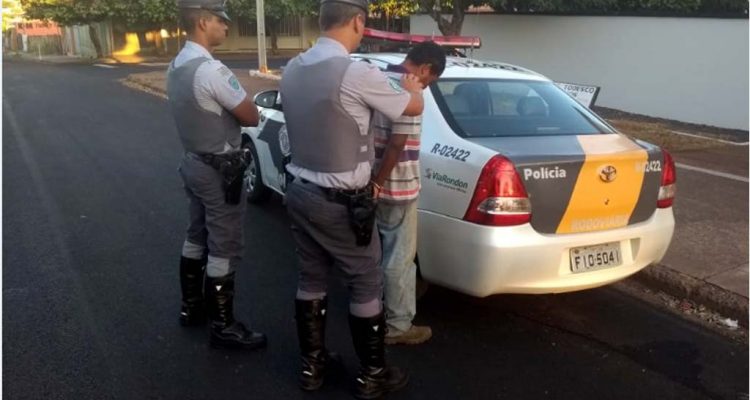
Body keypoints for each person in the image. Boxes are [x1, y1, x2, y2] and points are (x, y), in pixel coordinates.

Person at [280, 0, 424, 397]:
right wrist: (411, 88)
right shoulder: (356, 71)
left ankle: (312, 367)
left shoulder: (292, 67)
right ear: (359, 21)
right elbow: (412, 106)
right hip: (341, 201)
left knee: (311, 277)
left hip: (299, 191)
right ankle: (372, 374)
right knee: (365, 282)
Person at [167, 0, 266, 350]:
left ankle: (191, 307)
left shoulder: (176, 64)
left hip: (193, 162)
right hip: (218, 171)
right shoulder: (211, 71)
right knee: (224, 244)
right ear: (204, 21)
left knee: (196, 235)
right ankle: (223, 325)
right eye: (222, 21)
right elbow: (251, 115)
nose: (226, 27)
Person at [371, 41, 446, 345]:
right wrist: (380, 182)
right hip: (397, 187)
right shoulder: (410, 90)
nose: (427, 86)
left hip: (373, 182)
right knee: (400, 259)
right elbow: (398, 143)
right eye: (431, 80)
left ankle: (370, 311)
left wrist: (373, 183)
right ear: (425, 69)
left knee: (375, 253)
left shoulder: (379, 79)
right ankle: (398, 325)